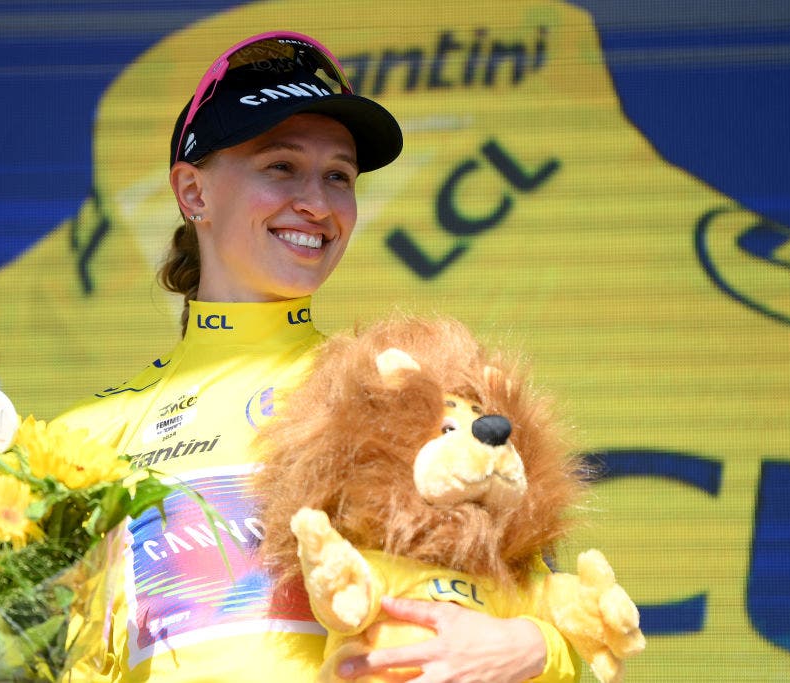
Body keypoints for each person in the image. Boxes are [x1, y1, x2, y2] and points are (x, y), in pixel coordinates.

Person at [57, 31, 580, 682]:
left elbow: (555, 615)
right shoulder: (75, 444)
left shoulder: (401, 391)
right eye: (281, 166)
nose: (318, 203)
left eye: (339, 176)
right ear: (193, 194)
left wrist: (532, 648)